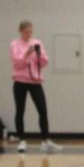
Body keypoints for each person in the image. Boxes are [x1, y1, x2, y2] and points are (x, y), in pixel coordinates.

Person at [10, 20, 60, 154]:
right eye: (26, 32)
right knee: (20, 110)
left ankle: (45, 140)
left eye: (31, 31)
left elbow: (44, 62)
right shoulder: (15, 44)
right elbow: (17, 63)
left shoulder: (37, 43)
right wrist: (26, 54)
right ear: (21, 31)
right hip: (20, 81)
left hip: (35, 81)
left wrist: (39, 55)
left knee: (43, 110)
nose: (29, 34)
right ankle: (22, 140)